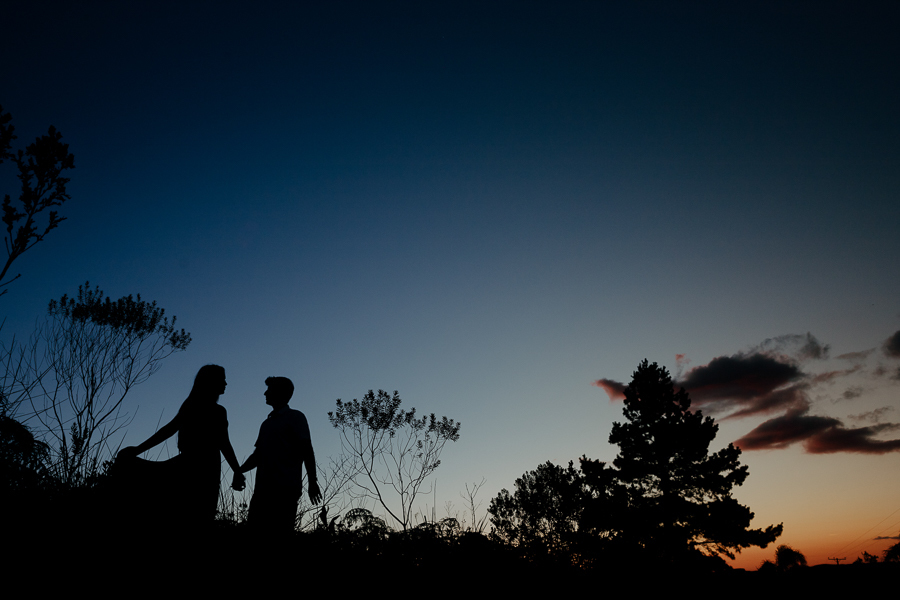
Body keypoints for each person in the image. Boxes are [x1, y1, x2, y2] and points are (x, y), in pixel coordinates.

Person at [117, 364, 242, 524]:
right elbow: (170, 429)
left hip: (201, 467)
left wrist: (138, 449)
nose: (226, 384)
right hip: (201, 467)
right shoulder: (210, 410)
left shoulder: (198, 406)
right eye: (223, 380)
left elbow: (222, 443)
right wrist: (237, 471)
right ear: (211, 382)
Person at [234, 376, 321, 532]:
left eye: (270, 389)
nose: (265, 393)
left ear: (280, 392)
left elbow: (307, 450)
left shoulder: (296, 417)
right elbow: (258, 455)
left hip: (285, 490)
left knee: (280, 536)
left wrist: (312, 482)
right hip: (262, 491)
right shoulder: (266, 424)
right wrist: (239, 471)